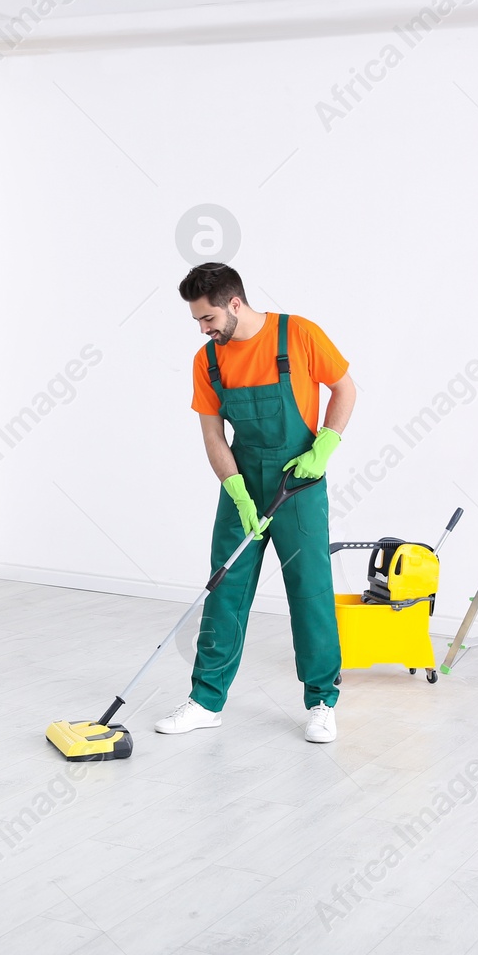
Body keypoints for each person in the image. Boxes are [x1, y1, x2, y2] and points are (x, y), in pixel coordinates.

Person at [158, 263, 355, 744]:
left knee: (309, 591)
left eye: (207, 319)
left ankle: (322, 702)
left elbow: (344, 388)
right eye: (198, 322)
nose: (204, 330)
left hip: (299, 484)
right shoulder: (208, 361)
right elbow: (212, 434)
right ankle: (205, 701)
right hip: (243, 485)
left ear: (234, 304)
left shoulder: (298, 335)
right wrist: (237, 491)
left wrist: (325, 445)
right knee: (225, 590)